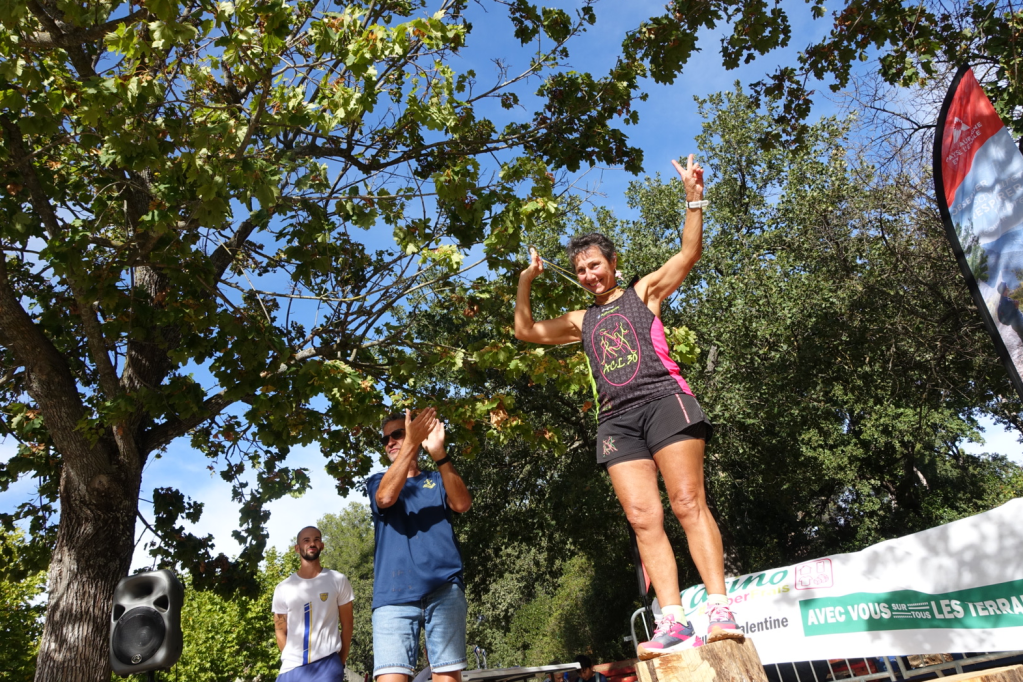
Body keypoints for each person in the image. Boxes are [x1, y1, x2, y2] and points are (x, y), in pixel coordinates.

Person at [514, 155, 742, 658]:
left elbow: (689, 252)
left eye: (595, 265)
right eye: (580, 270)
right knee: (642, 518)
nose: (588, 274)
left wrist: (694, 198)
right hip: (616, 421)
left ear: (612, 263)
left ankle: (720, 608)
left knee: (687, 503)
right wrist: (527, 279)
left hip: (665, 401)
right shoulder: (579, 320)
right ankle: (673, 619)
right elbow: (525, 331)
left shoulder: (644, 291)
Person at [367, 407, 473, 682]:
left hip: (444, 590)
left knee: (448, 677)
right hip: (393, 595)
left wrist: (439, 453)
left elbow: (462, 504)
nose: (389, 442)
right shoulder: (378, 482)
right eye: (385, 439)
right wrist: (410, 443)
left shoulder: (437, 479)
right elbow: (385, 498)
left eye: (397, 435)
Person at [272, 525, 355, 682]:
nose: (312, 543)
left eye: (316, 540)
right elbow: (280, 631)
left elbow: (348, 624)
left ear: (322, 545)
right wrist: (292, 658)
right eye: (306, 540)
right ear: (297, 548)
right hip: (291, 669)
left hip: (327, 666)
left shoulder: (338, 580)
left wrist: (340, 661)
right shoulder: (283, 588)